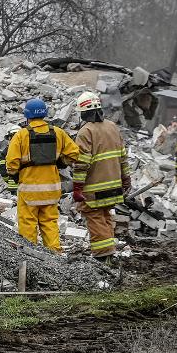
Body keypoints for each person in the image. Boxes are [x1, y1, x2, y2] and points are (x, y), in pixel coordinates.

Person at [5, 98, 80, 253]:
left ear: (27, 115)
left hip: (29, 191)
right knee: (50, 223)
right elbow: (74, 154)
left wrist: (15, 174)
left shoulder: (21, 135)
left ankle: (29, 256)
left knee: (27, 224)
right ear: (45, 114)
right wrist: (61, 162)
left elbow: (11, 164)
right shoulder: (58, 132)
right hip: (51, 190)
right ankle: (55, 257)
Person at [71, 92, 130, 262]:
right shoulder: (112, 126)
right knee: (105, 216)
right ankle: (109, 252)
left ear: (82, 111)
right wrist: (126, 179)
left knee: (94, 217)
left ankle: (103, 257)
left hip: (95, 189)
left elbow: (82, 164)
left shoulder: (85, 131)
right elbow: (123, 156)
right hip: (114, 186)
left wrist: (77, 187)